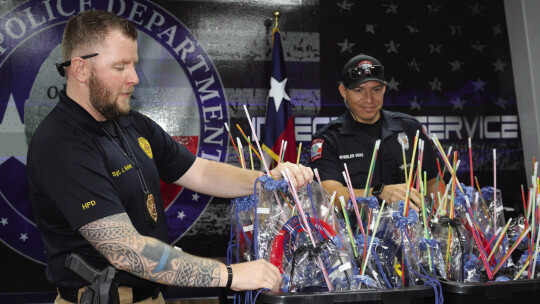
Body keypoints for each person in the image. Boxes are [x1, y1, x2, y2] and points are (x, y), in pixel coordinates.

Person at [27, 10, 313, 304]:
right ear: (80, 70)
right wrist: (231, 275)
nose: (135, 78)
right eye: (120, 67)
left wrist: (267, 180)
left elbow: (198, 171)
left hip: (152, 295)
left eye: (134, 64)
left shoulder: (132, 123)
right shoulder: (62, 143)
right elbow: (126, 251)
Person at [310, 54, 440, 210]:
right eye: (359, 90)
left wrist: (441, 221)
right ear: (343, 91)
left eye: (376, 89)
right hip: (355, 232)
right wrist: (378, 193)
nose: (369, 99)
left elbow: (434, 182)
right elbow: (330, 195)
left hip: (412, 230)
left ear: (384, 88)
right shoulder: (328, 139)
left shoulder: (410, 128)